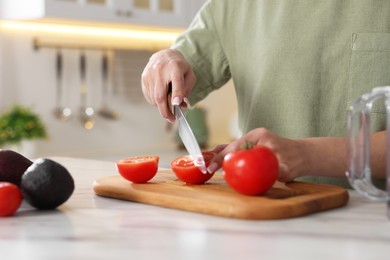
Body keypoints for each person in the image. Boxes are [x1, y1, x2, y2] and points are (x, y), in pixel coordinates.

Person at [141, 0, 387, 188]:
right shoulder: (230, 6)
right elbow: (174, 74)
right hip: (261, 217)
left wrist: (307, 154)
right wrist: (163, 63)